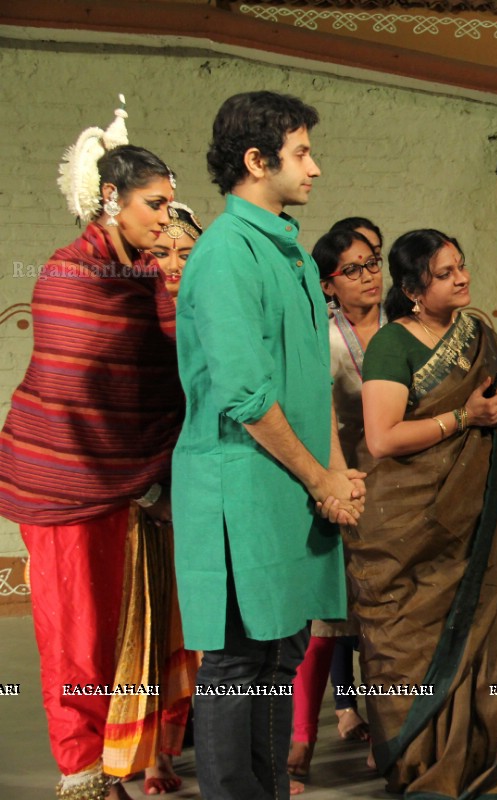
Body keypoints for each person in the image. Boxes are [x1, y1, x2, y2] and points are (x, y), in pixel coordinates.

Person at [172, 91, 365, 800]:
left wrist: (338, 473)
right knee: (234, 663)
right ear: (257, 161)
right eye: (301, 153)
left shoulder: (285, 251)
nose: (314, 167)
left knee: (281, 655)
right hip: (240, 487)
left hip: (291, 484)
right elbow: (247, 399)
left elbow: (314, 382)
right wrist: (322, 481)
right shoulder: (226, 254)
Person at [351, 228, 497, 797]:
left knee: (489, 637)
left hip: (480, 519)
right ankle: (429, 772)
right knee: (414, 648)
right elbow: (382, 440)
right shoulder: (392, 344)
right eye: (444, 273)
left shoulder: (476, 333)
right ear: (411, 289)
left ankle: (495, 768)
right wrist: (465, 418)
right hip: (412, 529)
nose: (462, 278)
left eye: (461, 266)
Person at [0, 100, 182, 800]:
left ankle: (123, 760)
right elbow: (80, 390)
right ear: (112, 201)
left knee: (121, 631)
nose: (167, 217)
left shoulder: (144, 276)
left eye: (171, 204)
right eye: (154, 204)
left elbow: (166, 368)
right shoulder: (67, 275)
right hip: (63, 480)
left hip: (129, 481)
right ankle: (80, 775)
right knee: (75, 636)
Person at [101, 200, 204, 797]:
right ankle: (114, 763)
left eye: (186, 253)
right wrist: (142, 487)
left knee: (180, 632)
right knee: (127, 632)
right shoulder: (128, 318)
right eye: (158, 253)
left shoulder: (204, 318)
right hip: (131, 498)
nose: (171, 263)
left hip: (185, 492)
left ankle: (163, 754)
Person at [288, 225, 385, 790]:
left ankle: (386, 727)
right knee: (326, 622)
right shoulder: (321, 341)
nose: (370, 274)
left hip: (397, 496)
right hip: (339, 492)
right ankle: (302, 740)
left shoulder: (403, 332)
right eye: (354, 268)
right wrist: (328, 485)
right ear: (328, 284)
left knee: (384, 622)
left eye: (373, 262)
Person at [148, 201, 202, 298]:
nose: (173, 267)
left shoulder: (212, 309)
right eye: (161, 254)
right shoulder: (120, 309)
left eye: (185, 256)